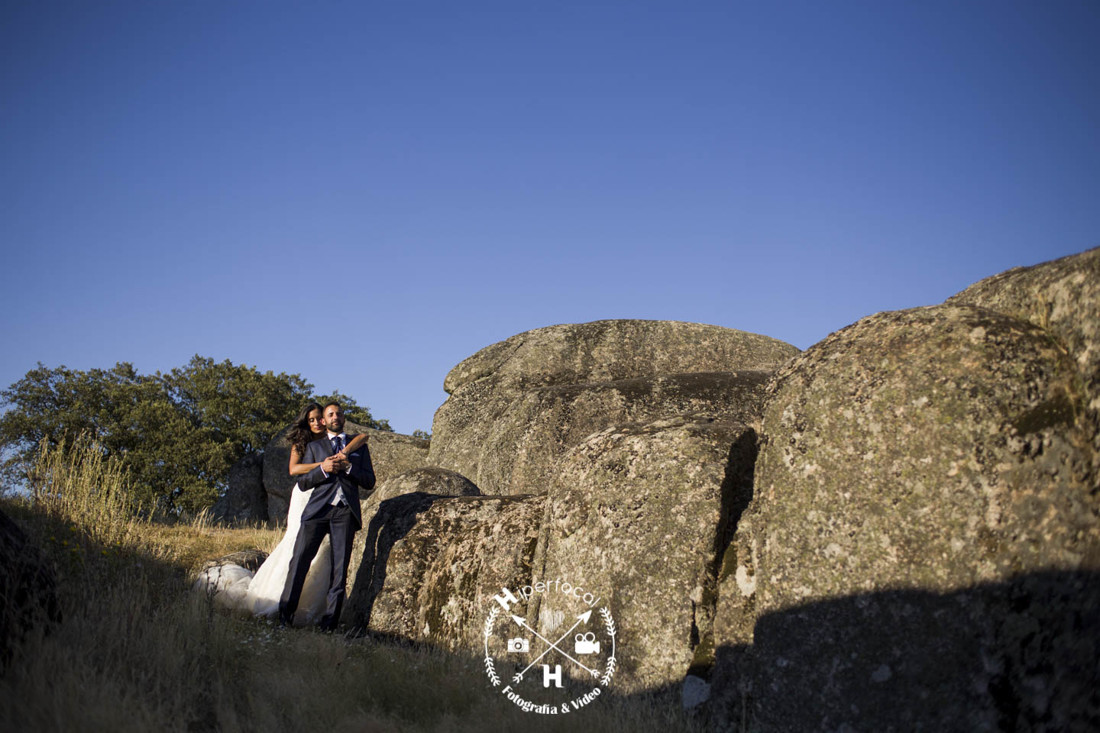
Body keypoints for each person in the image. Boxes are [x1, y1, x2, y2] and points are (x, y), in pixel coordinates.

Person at [244, 402, 369, 622]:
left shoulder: (349, 441)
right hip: (310, 501)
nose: (319, 422)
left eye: (320, 417)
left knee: (335, 563)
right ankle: (284, 611)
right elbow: (296, 472)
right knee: (298, 554)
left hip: (343, 510)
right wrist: (323, 466)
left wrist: (345, 459)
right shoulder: (308, 445)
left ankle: (327, 617)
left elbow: (364, 442)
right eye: (314, 419)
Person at [279, 401, 375, 631]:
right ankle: (284, 618)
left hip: (345, 513)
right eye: (330, 414)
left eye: (339, 413)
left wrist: (349, 467)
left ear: (343, 418)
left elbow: (370, 482)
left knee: (339, 571)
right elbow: (302, 483)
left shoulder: (358, 448)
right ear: (325, 419)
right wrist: (324, 469)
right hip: (317, 511)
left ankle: (329, 624)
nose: (335, 417)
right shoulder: (315, 447)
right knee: (299, 562)